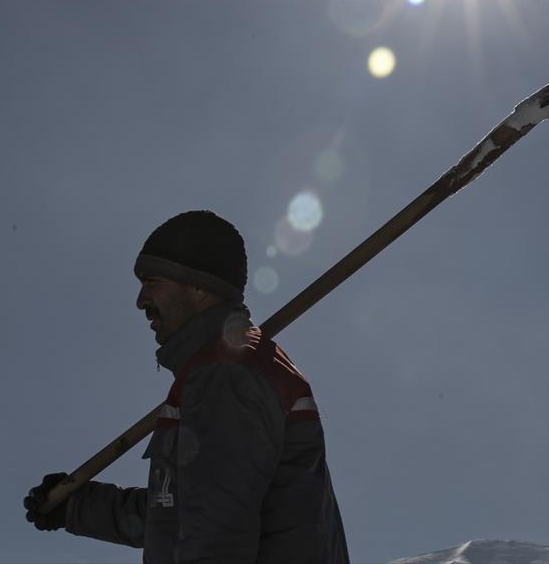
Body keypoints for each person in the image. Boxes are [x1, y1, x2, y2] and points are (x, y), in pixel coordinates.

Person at [24, 210, 350, 563]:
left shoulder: (225, 373)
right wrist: (77, 507)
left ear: (197, 286)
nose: (140, 300)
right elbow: (183, 513)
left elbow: (216, 538)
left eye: (152, 281)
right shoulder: (224, 369)